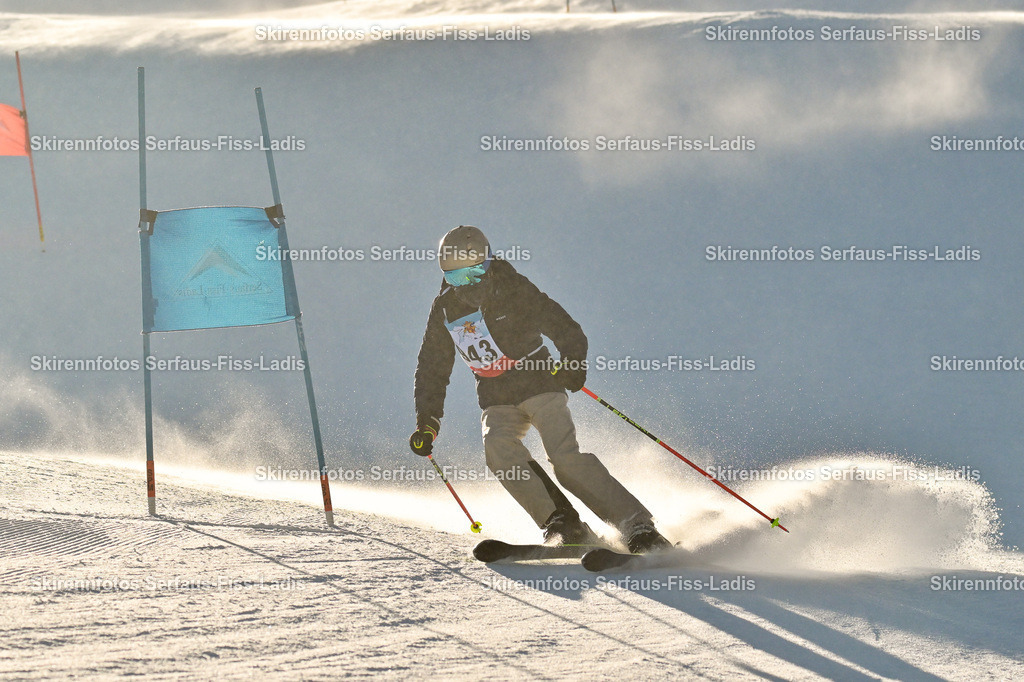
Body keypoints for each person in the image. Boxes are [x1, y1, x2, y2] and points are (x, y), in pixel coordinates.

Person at [409, 225, 671, 553]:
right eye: (457, 277)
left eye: (475, 274)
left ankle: (637, 525)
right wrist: (427, 422)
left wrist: (573, 364)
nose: (467, 285)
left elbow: (564, 327)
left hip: (539, 384)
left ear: (488, 264)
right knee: (498, 449)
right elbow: (432, 367)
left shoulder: (513, 288)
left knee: (564, 458)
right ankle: (562, 522)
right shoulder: (445, 309)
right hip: (496, 396)